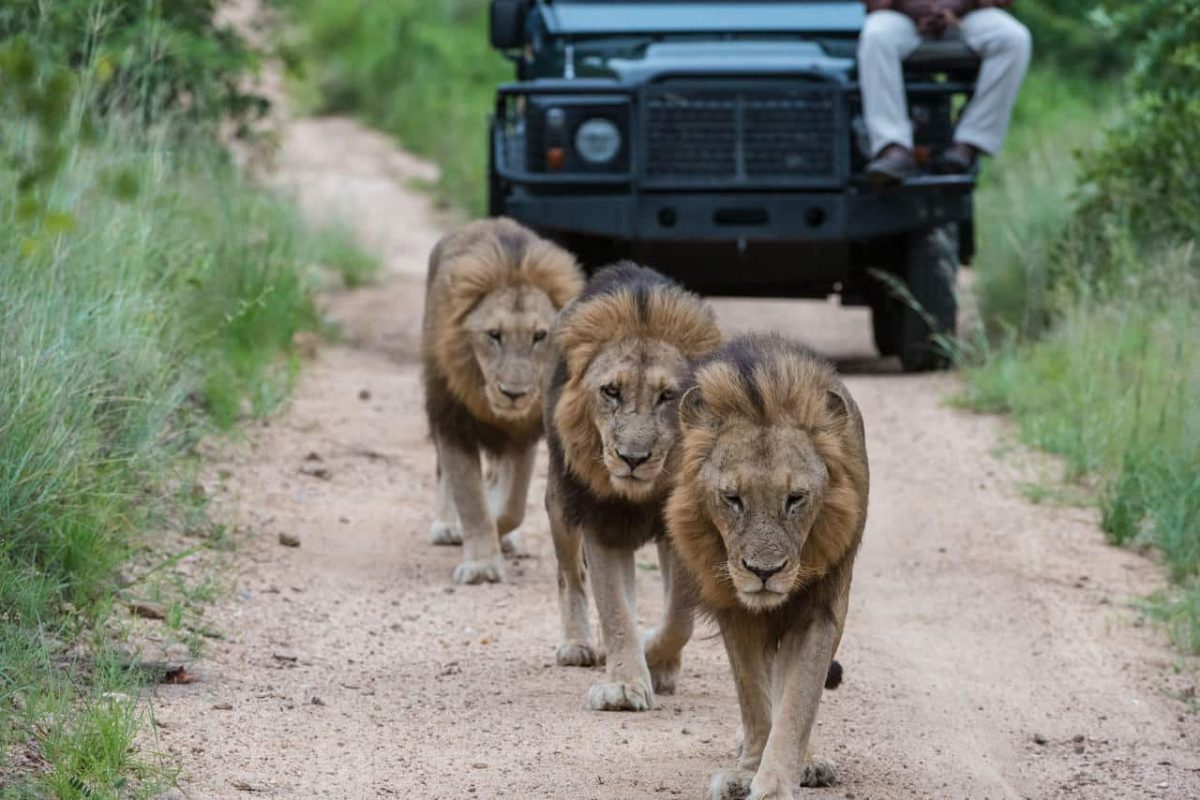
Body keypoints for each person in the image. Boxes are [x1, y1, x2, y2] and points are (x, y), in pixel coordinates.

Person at [858, 0, 1032, 184]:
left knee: (1013, 38)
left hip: (966, 16)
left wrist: (952, 7)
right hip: (902, 16)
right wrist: (918, 9)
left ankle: (970, 143)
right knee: (876, 34)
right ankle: (892, 146)